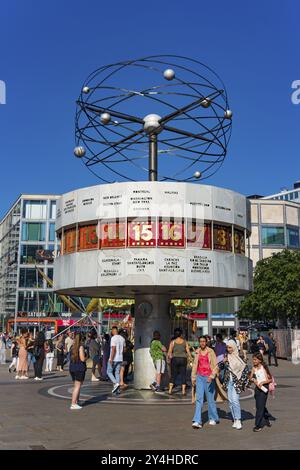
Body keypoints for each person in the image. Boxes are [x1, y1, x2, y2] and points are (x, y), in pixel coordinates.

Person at [220, 340, 250, 430]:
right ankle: (234, 419)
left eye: (230, 347)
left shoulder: (239, 356)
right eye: (227, 348)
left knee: (235, 400)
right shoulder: (226, 357)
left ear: (234, 347)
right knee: (230, 401)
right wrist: (223, 361)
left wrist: (242, 383)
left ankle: (238, 419)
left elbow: (245, 369)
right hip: (228, 381)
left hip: (237, 382)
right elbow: (219, 366)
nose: (228, 349)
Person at [191, 336, 219, 428]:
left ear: (206, 342)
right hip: (199, 377)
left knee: (210, 399)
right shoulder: (197, 352)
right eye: (201, 341)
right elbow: (195, 365)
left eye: (204, 341)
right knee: (199, 399)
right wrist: (193, 378)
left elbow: (216, 366)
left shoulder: (211, 352)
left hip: (208, 377)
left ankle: (213, 418)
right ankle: (197, 420)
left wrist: (212, 376)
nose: (202, 343)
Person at [250, 352, 273, 432]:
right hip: (257, 389)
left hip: (264, 388)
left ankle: (258, 425)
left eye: (255, 359)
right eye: (253, 359)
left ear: (260, 360)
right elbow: (250, 377)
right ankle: (266, 417)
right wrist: (253, 379)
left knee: (259, 407)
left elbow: (270, 379)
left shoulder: (264, 368)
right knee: (260, 405)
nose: (254, 361)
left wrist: (263, 382)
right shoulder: (253, 368)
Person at [168, 328, 192, 396]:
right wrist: (191, 358)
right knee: (183, 375)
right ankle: (183, 391)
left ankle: (170, 390)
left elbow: (169, 351)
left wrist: (168, 358)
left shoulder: (172, 342)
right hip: (183, 359)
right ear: (181, 334)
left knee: (173, 375)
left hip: (175, 359)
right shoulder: (185, 342)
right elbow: (188, 351)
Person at [69, 333, 87, 410]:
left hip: (72, 368)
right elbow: (82, 358)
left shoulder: (72, 347)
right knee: (78, 386)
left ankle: (76, 400)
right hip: (79, 368)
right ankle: (73, 403)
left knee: (76, 385)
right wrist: (87, 357)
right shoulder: (81, 347)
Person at [107, 326, 125, 395]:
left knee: (109, 372)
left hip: (114, 358)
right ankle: (117, 390)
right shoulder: (122, 338)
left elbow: (113, 349)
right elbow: (123, 349)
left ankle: (116, 383)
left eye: (111, 331)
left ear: (113, 331)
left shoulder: (113, 338)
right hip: (120, 358)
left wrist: (111, 359)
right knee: (117, 373)